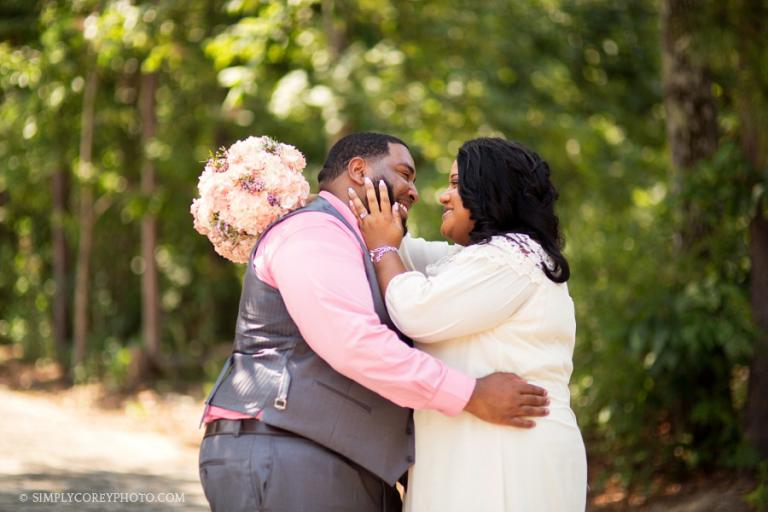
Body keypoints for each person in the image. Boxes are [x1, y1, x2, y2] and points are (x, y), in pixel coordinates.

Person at [198, 133, 551, 512]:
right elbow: (355, 343)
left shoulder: (360, 244)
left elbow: (459, 270)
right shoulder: (314, 231)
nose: (414, 192)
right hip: (288, 452)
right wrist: (470, 394)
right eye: (405, 174)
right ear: (357, 170)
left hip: (332, 461)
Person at [348, 137, 587, 511]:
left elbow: (414, 306)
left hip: (509, 453)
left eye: (458, 184)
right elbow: (406, 253)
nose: (443, 196)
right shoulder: (474, 258)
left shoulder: (512, 257)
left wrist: (383, 249)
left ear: (491, 190)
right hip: (478, 447)